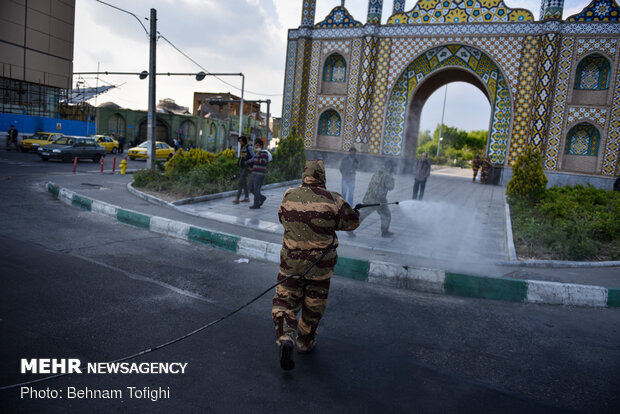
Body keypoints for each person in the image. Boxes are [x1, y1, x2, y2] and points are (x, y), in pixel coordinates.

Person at [272, 160, 360, 370]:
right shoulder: (334, 199)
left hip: (290, 267)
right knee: (313, 309)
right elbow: (352, 222)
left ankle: (286, 338)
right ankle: (305, 342)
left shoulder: (289, 196)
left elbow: (281, 218)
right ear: (322, 176)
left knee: (285, 302)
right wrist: (354, 211)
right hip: (319, 270)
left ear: (305, 175)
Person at [358, 159, 396, 237]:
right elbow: (390, 187)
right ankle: (350, 227)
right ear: (390, 167)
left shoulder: (378, 171)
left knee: (364, 214)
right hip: (377, 199)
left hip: (373, 197)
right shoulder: (387, 175)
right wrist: (392, 179)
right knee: (364, 214)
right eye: (393, 167)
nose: (393, 169)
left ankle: (385, 232)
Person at [248, 140, 270, 209]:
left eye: (257, 145)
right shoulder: (256, 153)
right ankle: (261, 197)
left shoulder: (265, 153)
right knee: (250, 188)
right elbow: (254, 162)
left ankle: (256, 204)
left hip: (260, 174)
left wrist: (259, 155)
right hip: (254, 172)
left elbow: (263, 162)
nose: (256, 147)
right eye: (255, 145)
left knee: (256, 189)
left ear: (261, 146)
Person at [233, 136, 254, 204]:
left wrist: (248, 161)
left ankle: (237, 198)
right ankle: (247, 197)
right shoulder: (242, 147)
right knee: (244, 183)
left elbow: (254, 156)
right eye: (239, 141)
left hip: (246, 167)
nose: (240, 142)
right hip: (242, 167)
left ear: (244, 141)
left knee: (240, 182)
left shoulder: (248, 147)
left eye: (241, 141)